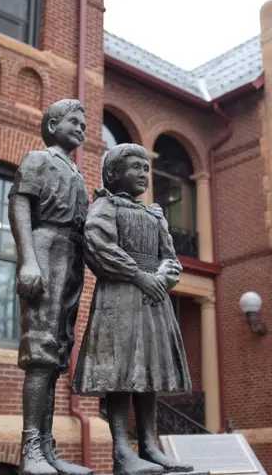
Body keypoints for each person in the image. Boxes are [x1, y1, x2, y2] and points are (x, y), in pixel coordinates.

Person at [73, 143, 195, 475]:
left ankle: (150, 446)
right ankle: (122, 451)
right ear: (113, 173)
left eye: (146, 168)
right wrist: (139, 276)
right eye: (135, 167)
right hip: (120, 297)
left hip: (153, 300)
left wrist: (163, 278)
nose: (143, 173)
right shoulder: (105, 206)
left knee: (148, 371)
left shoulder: (155, 214)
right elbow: (98, 245)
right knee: (121, 371)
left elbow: (170, 256)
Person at [8, 99, 93, 475]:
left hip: (72, 258)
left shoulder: (76, 174)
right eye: (74, 121)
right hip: (46, 249)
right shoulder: (38, 160)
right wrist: (28, 259)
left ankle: (46, 446)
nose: (81, 129)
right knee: (40, 352)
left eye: (84, 124)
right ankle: (31, 450)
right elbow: (20, 205)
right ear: (53, 123)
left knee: (57, 356)